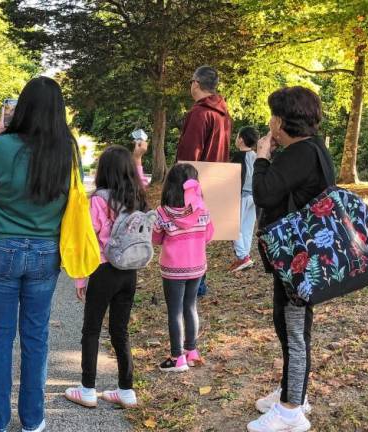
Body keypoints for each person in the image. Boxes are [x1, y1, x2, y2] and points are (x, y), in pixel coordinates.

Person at [0, 76, 75, 432]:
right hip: (46, 249)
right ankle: (33, 419)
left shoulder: (1, 145)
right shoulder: (67, 149)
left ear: (23, 107)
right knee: (36, 335)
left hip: (1, 247)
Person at [247, 87, 332, 432]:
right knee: (287, 325)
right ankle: (292, 390)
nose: (269, 122)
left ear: (281, 120)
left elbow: (265, 194)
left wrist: (262, 157)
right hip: (299, 258)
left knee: (294, 330)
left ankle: (291, 410)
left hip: (299, 262)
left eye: (272, 115)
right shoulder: (314, 149)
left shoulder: (299, 153)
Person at [64, 145, 147, 410]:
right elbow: (141, 178)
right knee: (120, 331)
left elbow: (86, 243)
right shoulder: (137, 198)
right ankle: (126, 390)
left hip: (102, 271)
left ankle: (87, 388)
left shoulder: (98, 200)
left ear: (104, 170)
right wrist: (138, 159)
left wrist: (80, 279)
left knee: (91, 330)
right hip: (129, 271)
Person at [176, 65, 232, 297]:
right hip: (217, 178)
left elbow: (190, 153)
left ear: (196, 84)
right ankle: (199, 281)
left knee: (187, 233)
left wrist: (180, 181)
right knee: (201, 233)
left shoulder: (200, 113)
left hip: (194, 180)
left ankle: (193, 283)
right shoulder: (223, 114)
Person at [152, 163, 214, 372]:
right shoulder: (202, 210)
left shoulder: (162, 212)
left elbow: (156, 238)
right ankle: (192, 350)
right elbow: (209, 236)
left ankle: (177, 357)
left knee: (174, 311)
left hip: (173, 269)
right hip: (197, 267)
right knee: (190, 306)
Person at [229, 126, 259, 272]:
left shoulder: (238, 157)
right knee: (247, 227)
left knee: (233, 227)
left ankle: (243, 257)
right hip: (255, 196)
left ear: (241, 139)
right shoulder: (257, 156)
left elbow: (233, 179)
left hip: (241, 196)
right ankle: (245, 256)